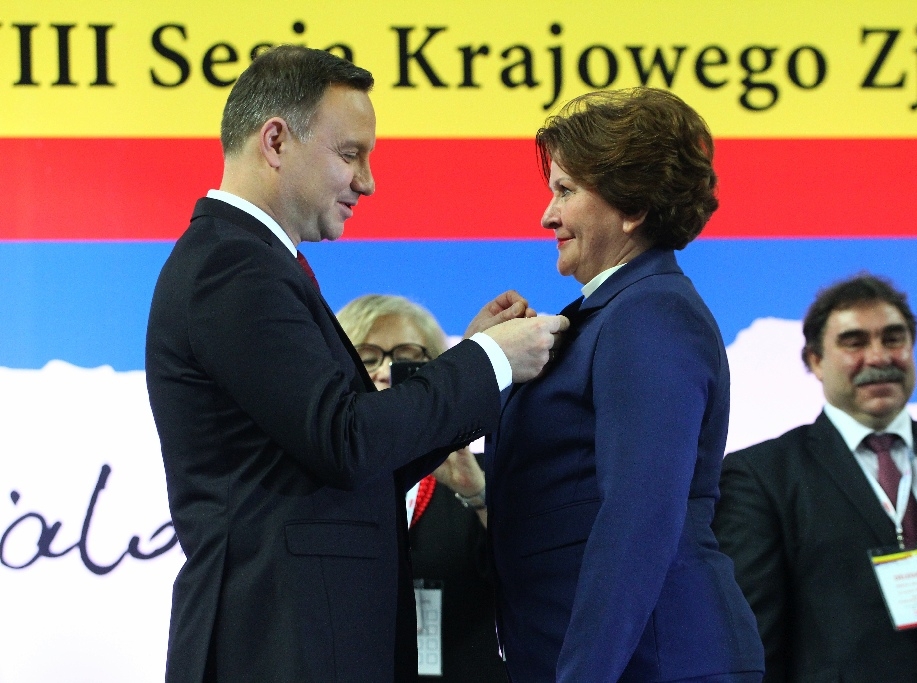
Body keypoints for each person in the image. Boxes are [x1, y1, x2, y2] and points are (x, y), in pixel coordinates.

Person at [145, 46, 567, 683]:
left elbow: (362, 457)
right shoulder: (231, 267)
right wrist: (488, 363)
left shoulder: (250, 262)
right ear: (276, 141)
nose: (367, 182)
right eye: (350, 155)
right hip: (274, 650)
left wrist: (465, 360)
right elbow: (348, 440)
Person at [485, 87, 764, 683]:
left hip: (653, 663)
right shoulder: (608, 315)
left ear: (632, 207)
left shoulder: (650, 313)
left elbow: (638, 518)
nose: (547, 216)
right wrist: (485, 365)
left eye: (566, 191)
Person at [712, 274, 917, 683]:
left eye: (893, 339)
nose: (878, 357)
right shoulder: (762, 477)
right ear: (815, 361)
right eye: (854, 342)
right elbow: (755, 639)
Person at [336, 294, 507, 683]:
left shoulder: (479, 475)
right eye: (367, 358)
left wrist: (477, 494)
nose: (385, 372)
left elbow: (536, 578)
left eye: (407, 359)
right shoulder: (321, 487)